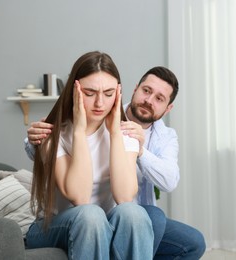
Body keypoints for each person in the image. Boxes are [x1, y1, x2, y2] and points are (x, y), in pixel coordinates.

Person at [25, 66, 206, 259]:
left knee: (146, 217)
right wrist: (35, 142)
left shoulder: (140, 134)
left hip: (121, 214)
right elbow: (78, 196)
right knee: (93, 216)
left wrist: (137, 148)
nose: (149, 100)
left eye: (159, 98)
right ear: (135, 89)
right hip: (69, 219)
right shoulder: (60, 132)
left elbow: (150, 188)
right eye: (146, 91)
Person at [25, 51, 154, 260]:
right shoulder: (53, 134)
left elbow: (124, 197)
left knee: (134, 214)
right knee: (90, 215)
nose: (100, 103)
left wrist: (114, 134)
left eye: (109, 93)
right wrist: (79, 132)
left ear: (118, 94)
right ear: (74, 91)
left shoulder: (125, 132)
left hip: (102, 221)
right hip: (54, 226)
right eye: (90, 92)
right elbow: (80, 197)